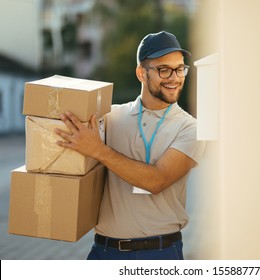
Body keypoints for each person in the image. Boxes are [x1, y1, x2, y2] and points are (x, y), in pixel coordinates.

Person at [55, 31, 205, 260]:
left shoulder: (190, 129)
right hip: (104, 251)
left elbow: (157, 180)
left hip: (160, 252)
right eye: (164, 69)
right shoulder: (111, 116)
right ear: (141, 73)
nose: (175, 77)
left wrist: (98, 149)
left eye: (180, 69)